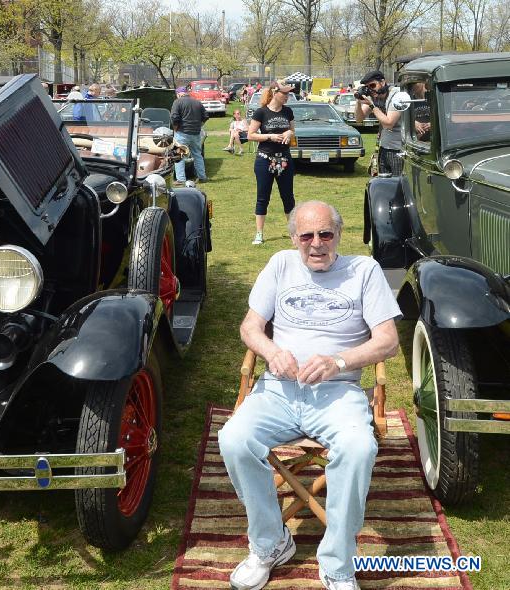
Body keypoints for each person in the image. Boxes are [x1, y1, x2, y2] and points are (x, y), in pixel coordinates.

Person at [220, 200, 401, 590]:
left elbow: (388, 342)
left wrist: (338, 361)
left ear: (339, 234)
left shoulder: (364, 270)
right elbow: (250, 328)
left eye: (325, 234)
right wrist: (271, 352)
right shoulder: (280, 264)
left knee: (358, 448)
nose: (316, 244)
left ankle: (337, 563)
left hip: (337, 393)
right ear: (293, 238)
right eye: (306, 235)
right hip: (278, 390)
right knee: (233, 439)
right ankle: (270, 544)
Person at [247, 79, 296, 245]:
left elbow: (293, 130)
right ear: (275, 93)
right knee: (263, 197)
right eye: (285, 94)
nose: (287, 97)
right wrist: (270, 136)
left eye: (288, 94)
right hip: (265, 160)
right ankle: (259, 234)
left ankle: (293, 234)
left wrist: (289, 133)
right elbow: (250, 135)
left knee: (288, 197)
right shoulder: (261, 112)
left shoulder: (288, 111)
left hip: (284, 160)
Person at [354, 70, 401, 176]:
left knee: (398, 185)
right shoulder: (374, 98)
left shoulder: (396, 95)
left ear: (383, 82)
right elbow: (358, 119)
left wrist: (372, 105)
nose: (371, 90)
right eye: (367, 88)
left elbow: (388, 124)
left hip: (399, 150)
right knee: (385, 184)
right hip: (384, 147)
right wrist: (358, 101)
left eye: (373, 85)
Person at [170, 86, 209, 184]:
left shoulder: (177, 102)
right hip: (196, 133)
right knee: (197, 155)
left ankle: (181, 179)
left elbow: (174, 117)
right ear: (187, 93)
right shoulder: (197, 102)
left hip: (182, 133)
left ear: (178, 94)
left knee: (178, 155)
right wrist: (199, 126)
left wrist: (175, 129)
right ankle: (202, 177)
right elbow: (206, 116)